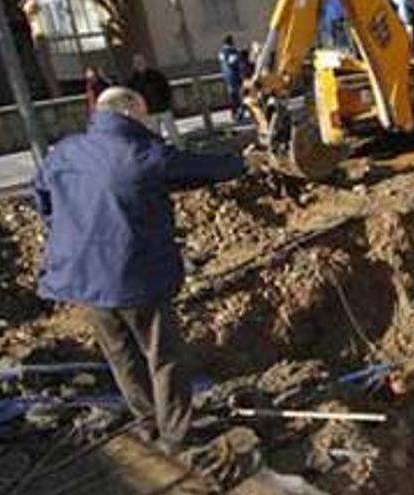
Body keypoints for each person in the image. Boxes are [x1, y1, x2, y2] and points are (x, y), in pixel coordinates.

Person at [32, 87, 246, 455]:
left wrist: (72, 232)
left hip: (84, 278)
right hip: (135, 276)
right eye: (145, 114)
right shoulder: (141, 154)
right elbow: (197, 167)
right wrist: (244, 162)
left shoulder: (64, 152)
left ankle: (147, 424)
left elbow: (43, 198)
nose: (148, 122)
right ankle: (177, 434)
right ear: (130, 113)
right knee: (164, 356)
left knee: (121, 356)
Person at [127, 54, 181, 147]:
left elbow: (166, 88)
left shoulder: (156, 75)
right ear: (134, 65)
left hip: (163, 108)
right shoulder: (133, 80)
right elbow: (132, 96)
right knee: (155, 136)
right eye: (136, 62)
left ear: (145, 62)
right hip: (149, 112)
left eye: (141, 61)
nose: (139, 63)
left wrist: (167, 101)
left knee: (173, 133)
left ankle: (180, 149)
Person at [218, 35, 245, 122]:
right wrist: (239, 55)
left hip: (226, 77)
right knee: (239, 97)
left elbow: (224, 62)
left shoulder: (221, 52)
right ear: (231, 42)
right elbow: (233, 63)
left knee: (232, 97)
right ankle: (238, 115)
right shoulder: (232, 52)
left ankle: (234, 114)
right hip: (234, 77)